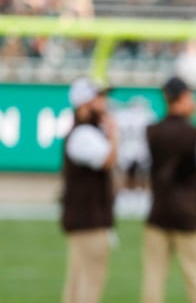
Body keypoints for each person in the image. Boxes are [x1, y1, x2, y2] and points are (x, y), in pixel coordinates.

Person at [139, 76, 196, 303]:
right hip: (190, 215)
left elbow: (145, 167)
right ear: (183, 97)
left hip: (158, 212)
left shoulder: (150, 130)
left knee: (153, 281)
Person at [60, 77, 117, 303]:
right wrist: (114, 133)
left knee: (78, 281)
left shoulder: (85, 132)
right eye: (99, 98)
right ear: (85, 103)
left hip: (85, 219)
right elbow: (107, 160)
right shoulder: (83, 134)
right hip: (89, 220)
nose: (104, 103)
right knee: (89, 282)